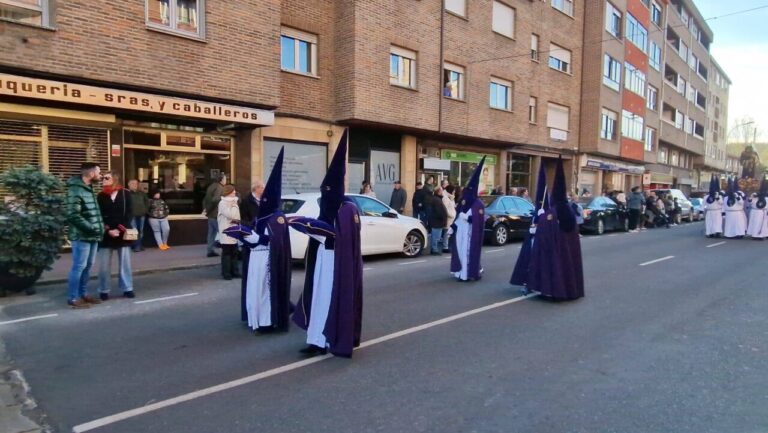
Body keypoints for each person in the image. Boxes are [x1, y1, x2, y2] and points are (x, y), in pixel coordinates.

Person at [292, 131, 363, 358]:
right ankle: (315, 340)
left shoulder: (348, 209)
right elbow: (323, 229)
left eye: (328, 191)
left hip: (337, 263)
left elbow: (345, 237)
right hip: (322, 258)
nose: (326, 195)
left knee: (329, 299)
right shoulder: (328, 207)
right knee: (317, 298)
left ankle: (331, 337)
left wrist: (322, 233)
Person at [230, 148, 292, 333]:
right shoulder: (261, 216)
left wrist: (259, 238)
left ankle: (267, 321)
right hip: (255, 258)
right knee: (255, 291)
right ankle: (256, 317)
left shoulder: (278, 217)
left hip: (267, 260)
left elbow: (276, 240)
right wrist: (245, 236)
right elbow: (253, 229)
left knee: (266, 291)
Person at [524, 157, 584, 301]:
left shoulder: (554, 211)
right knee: (567, 265)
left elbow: (544, 228)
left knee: (556, 266)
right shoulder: (568, 209)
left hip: (556, 248)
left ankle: (555, 290)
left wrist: (540, 218)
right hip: (566, 248)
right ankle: (570, 289)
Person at [65, 162, 105, 309]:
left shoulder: (88, 188)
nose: (100, 176)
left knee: (87, 267)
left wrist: (96, 229)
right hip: (82, 236)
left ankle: (83, 294)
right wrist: (93, 228)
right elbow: (72, 214)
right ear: (90, 173)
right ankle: (73, 297)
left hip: (92, 235)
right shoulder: (75, 189)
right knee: (79, 267)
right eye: (99, 172)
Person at [96, 171, 135, 300]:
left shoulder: (125, 194)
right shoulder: (100, 196)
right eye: (103, 178)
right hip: (107, 234)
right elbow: (99, 215)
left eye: (107, 178)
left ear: (115, 179)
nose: (104, 180)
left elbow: (129, 213)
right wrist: (108, 230)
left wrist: (119, 229)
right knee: (103, 265)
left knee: (125, 263)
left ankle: (127, 288)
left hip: (122, 232)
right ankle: (104, 290)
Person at [510, 162, 548, 290]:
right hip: (532, 240)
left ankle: (537, 283)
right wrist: (533, 227)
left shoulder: (547, 212)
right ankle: (527, 282)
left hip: (541, 241)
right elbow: (532, 222)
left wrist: (542, 220)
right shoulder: (536, 209)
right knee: (528, 261)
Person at [450, 157, 486, 281]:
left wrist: (468, 218)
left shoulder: (478, 204)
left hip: (470, 234)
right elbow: (457, 217)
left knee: (468, 253)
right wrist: (452, 227)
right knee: (460, 252)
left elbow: (480, 221)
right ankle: (460, 273)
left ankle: (470, 273)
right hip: (461, 232)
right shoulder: (463, 202)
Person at [238, 180, 264, 322]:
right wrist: (251, 225)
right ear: (256, 188)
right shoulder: (247, 202)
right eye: (262, 187)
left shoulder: (264, 200)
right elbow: (242, 219)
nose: (264, 189)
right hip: (251, 239)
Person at [217, 184, 241, 280]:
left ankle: (234, 271)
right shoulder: (222, 203)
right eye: (233, 191)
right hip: (226, 231)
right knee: (227, 253)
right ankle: (226, 273)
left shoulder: (234, 202)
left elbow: (237, 217)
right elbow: (230, 215)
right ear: (229, 192)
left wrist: (235, 217)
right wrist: (234, 205)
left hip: (234, 230)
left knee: (234, 253)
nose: (235, 192)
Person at [203, 173, 226, 257]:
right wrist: (224, 198)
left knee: (211, 233)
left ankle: (210, 250)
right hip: (217, 214)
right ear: (221, 180)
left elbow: (206, 199)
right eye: (225, 179)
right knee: (223, 232)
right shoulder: (219, 187)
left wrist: (207, 209)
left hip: (211, 214)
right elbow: (215, 199)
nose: (225, 180)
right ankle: (226, 250)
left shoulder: (211, 186)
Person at [127, 180, 149, 252]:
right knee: (133, 231)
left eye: (136, 184)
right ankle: (135, 246)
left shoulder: (142, 193)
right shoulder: (126, 193)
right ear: (129, 185)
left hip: (141, 215)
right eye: (132, 183)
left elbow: (147, 202)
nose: (135, 185)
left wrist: (145, 210)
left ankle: (139, 245)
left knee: (140, 231)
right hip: (131, 215)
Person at [427, 188, 448, 255]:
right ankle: (434, 249)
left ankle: (434, 249)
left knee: (436, 236)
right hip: (437, 221)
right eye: (441, 191)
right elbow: (439, 211)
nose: (442, 192)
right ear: (438, 192)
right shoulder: (436, 200)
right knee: (436, 237)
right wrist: (443, 218)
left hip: (437, 221)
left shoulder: (437, 199)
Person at [442, 185, 457, 253]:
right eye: (453, 190)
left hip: (452, 218)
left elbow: (452, 206)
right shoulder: (445, 198)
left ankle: (448, 245)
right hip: (449, 218)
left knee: (449, 232)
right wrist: (451, 215)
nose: (454, 191)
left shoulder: (451, 197)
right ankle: (445, 246)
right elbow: (445, 209)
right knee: (447, 232)